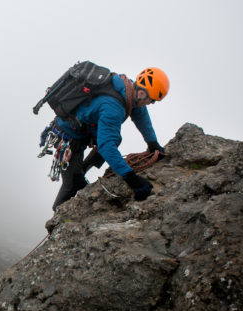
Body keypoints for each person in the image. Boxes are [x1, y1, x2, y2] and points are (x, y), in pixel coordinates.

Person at [49, 66, 169, 210]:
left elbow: (140, 114)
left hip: (81, 130)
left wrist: (153, 143)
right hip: (67, 138)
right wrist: (132, 179)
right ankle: (56, 219)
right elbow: (106, 147)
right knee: (72, 184)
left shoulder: (128, 89)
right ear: (142, 93)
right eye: (152, 100)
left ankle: (81, 170)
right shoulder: (113, 107)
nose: (152, 103)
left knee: (115, 138)